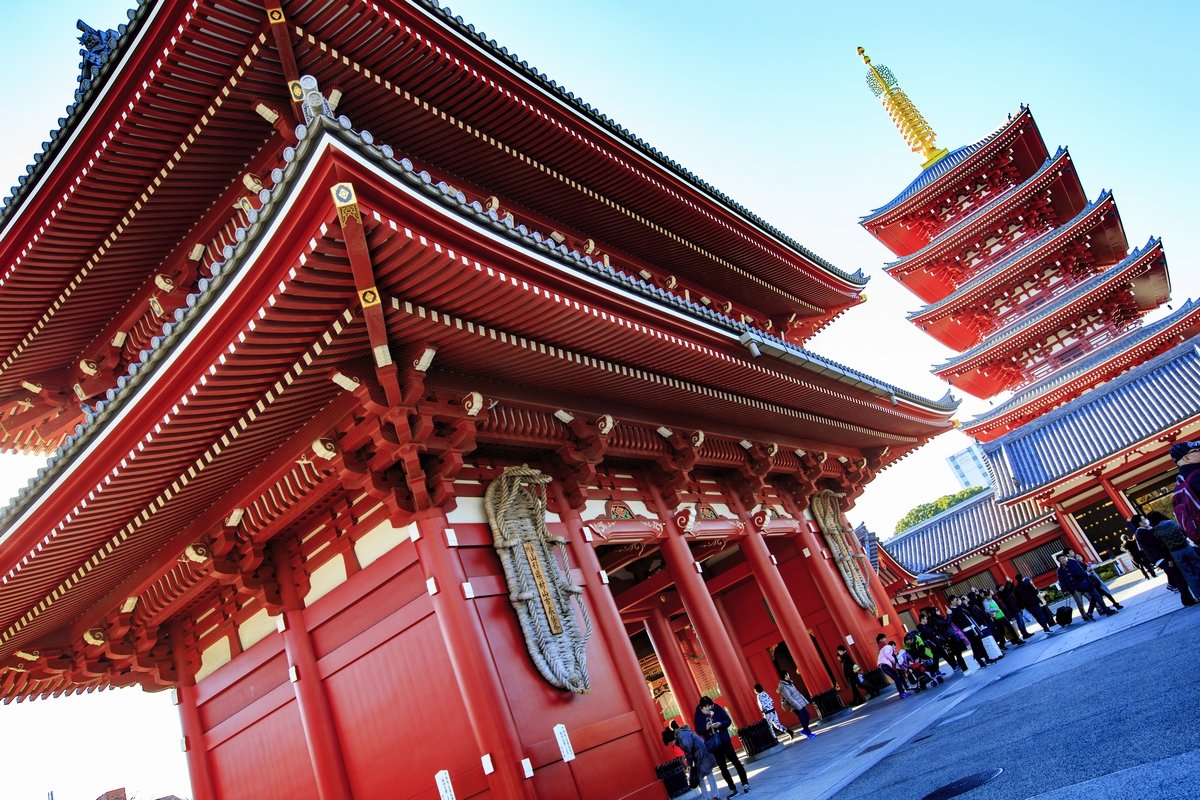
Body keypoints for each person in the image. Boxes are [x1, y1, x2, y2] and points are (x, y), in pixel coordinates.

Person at [1133, 514, 1196, 607]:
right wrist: (1168, 559)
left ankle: (1186, 598)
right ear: (1140, 523)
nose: (1146, 520)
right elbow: (1157, 546)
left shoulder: (1142, 532)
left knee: (1178, 577)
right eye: (1143, 519)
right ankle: (1187, 600)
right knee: (1179, 578)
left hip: (1159, 558)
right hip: (1161, 558)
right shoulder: (1143, 532)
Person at [694, 696, 749, 796]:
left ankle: (745, 783)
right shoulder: (698, 715)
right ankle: (732, 789)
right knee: (723, 767)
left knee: (735, 761)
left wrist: (720, 724)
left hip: (724, 740)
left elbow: (728, 720)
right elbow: (698, 730)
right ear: (702, 707)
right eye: (707, 706)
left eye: (710, 705)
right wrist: (706, 728)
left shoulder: (717, 708)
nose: (709, 708)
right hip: (714, 744)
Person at [1146, 510, 1200, 600]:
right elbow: (1184, 533)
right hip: (1186, 547)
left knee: (1188, 574)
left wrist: (1168, 559)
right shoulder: (1172, 522)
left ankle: (1198, 595)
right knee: (1198, 566)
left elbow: (1162, 545)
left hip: (1175, 553)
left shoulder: (1156, 530)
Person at [1056, 553, 1115, 620]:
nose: (1062, 560)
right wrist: (1068, 589)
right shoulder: (1060, 570)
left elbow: (1080, 570)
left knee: (1094, 597)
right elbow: (1063, 581)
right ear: (1059, 561)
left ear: (1065, 557)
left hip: (1084, 583)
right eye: (1060, 559)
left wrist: (1085, 574)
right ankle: (1088, 614)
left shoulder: (1072, 563)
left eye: (1063, 558)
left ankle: (1097, 611)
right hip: (1076, 587)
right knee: (1083, 602)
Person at [670, 722, 720, 800]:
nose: (671, 744)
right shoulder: (684, 732)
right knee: (706, 774)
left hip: (701, 754)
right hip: (702, 752)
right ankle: (713, 796)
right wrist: (689, 764)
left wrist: (689, 764)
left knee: (703, 776)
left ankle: (710, 796)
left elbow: (689, 748)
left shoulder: (681, 734)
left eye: (670, 743)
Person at [776, 672, 815, 738]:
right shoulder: (783, 687)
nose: (789, 675)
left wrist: (803, 700)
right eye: (788, 674)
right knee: (802, 717)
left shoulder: (789, 683)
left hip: (799, 702)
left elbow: (797, 692)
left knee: (807, 715)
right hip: (794, 705)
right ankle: (808, 733)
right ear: (785, 675)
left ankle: (804, 730)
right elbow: (789, 698)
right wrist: (798, 706)